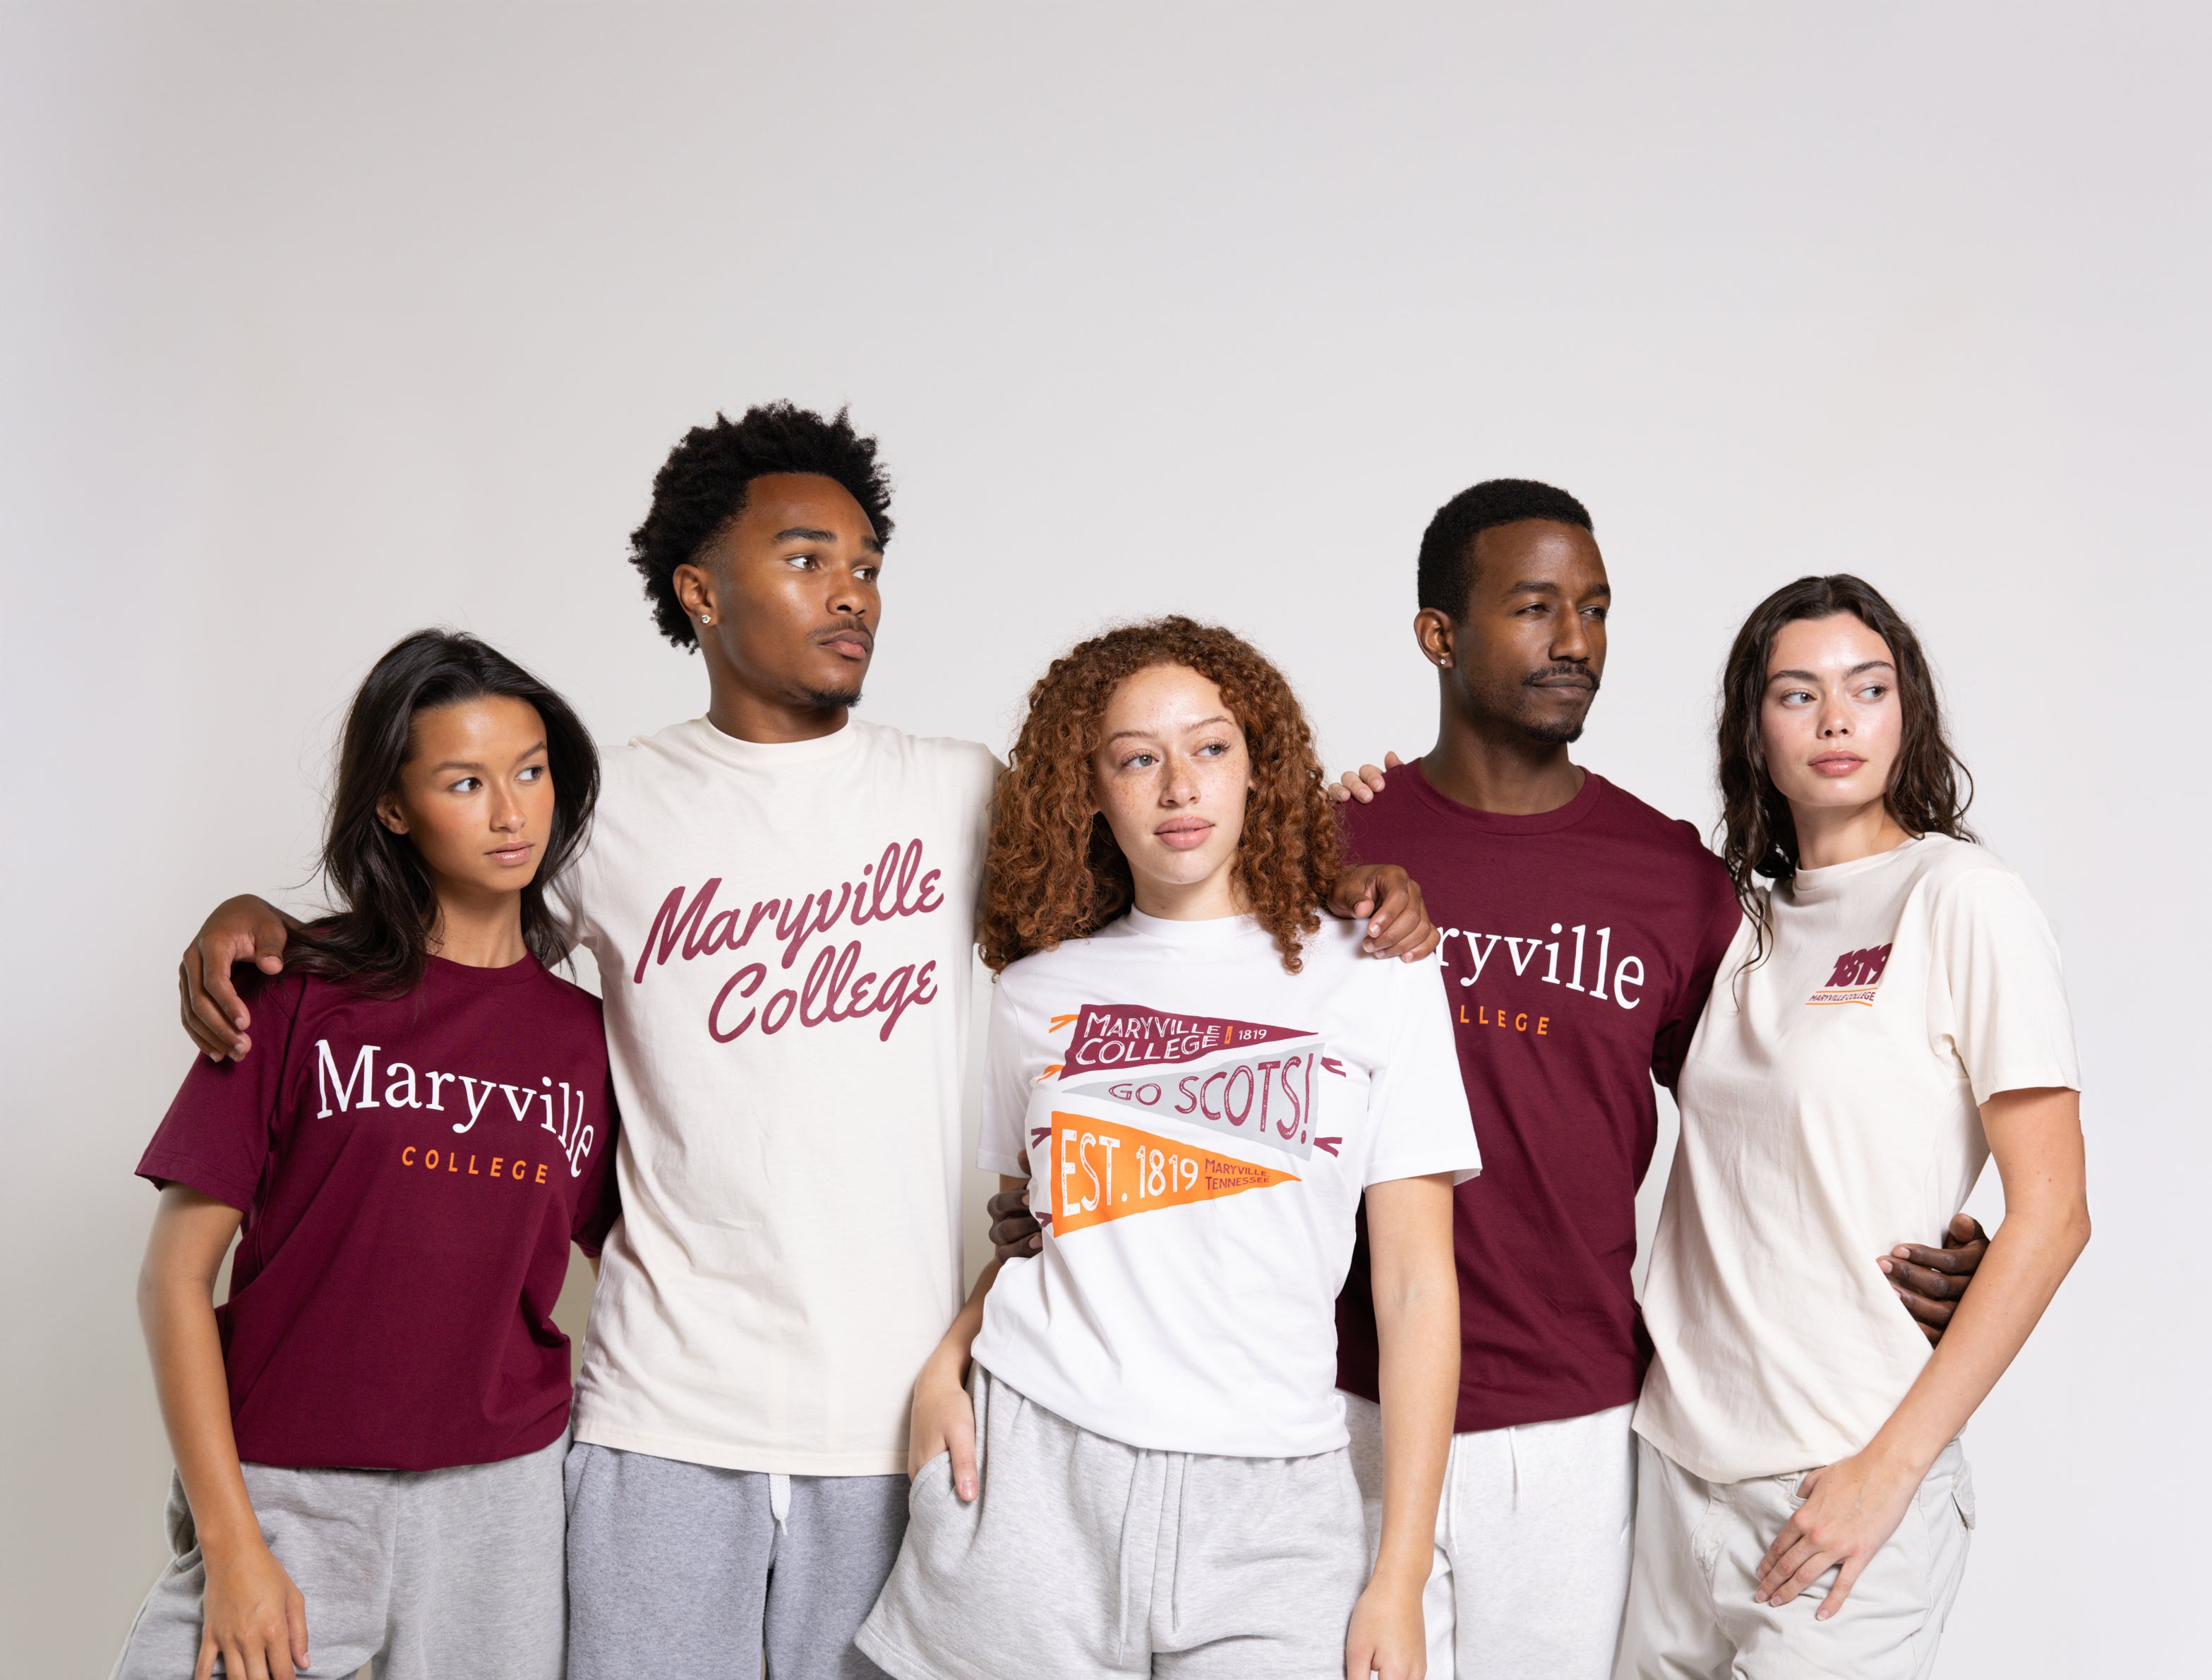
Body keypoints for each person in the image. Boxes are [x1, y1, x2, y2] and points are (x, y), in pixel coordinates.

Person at [172, 406, 1440, 1679]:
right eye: (804, 558)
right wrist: (275, 929)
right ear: (699, 592)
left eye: (867, 565)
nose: (850, 594)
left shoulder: (967, 793)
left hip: (906, 1430)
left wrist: (1341, 873)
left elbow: (1177, 869)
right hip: (659, 1416)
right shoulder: (604, 816)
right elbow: (449, 950)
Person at [991, 481, 1987, 1680]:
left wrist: (1929, 1236)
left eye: (1595, 609)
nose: (1573, 640)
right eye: (1531, 607)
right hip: (1341, 1407)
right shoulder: (1319, 841)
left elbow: (1766, 1122)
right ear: (1438, 635)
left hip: (1575, 1422)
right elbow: (1149, 1014)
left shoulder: (1670, 877)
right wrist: (1039, 1207)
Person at [857, 618, 1479, 1680]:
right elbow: (1043, 1226)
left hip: (1273, 1497)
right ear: (1088, 792)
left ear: (1258, 770)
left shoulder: (1376, 970)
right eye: (1136, 759)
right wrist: (947, 1362)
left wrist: (1399, 1571)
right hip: (1034, 1477)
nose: (1178, 786)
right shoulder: (1031, 993)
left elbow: (1417, 1287)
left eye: (1209, 748)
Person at [115, 630, 620, 1680]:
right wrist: (233, 1542)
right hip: (288, 1489)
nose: (510, 810)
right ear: (393, 807)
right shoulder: (296, 991)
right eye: (463, 781)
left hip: (502, 1505)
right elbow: (173, 1276)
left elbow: (636, 1259)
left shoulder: (589, 1038)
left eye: (530, 771)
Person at [1614, 575, 2090, 1679]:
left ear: (1905, 712)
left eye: (1865, 688)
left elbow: (2054, 1211)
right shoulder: (1730, 921)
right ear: (1751, 729)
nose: (1834, 719)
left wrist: (1887, 1474)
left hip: (1838, 1481)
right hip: (1672, 1474)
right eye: (1796, 693)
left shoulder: (1959, 898)